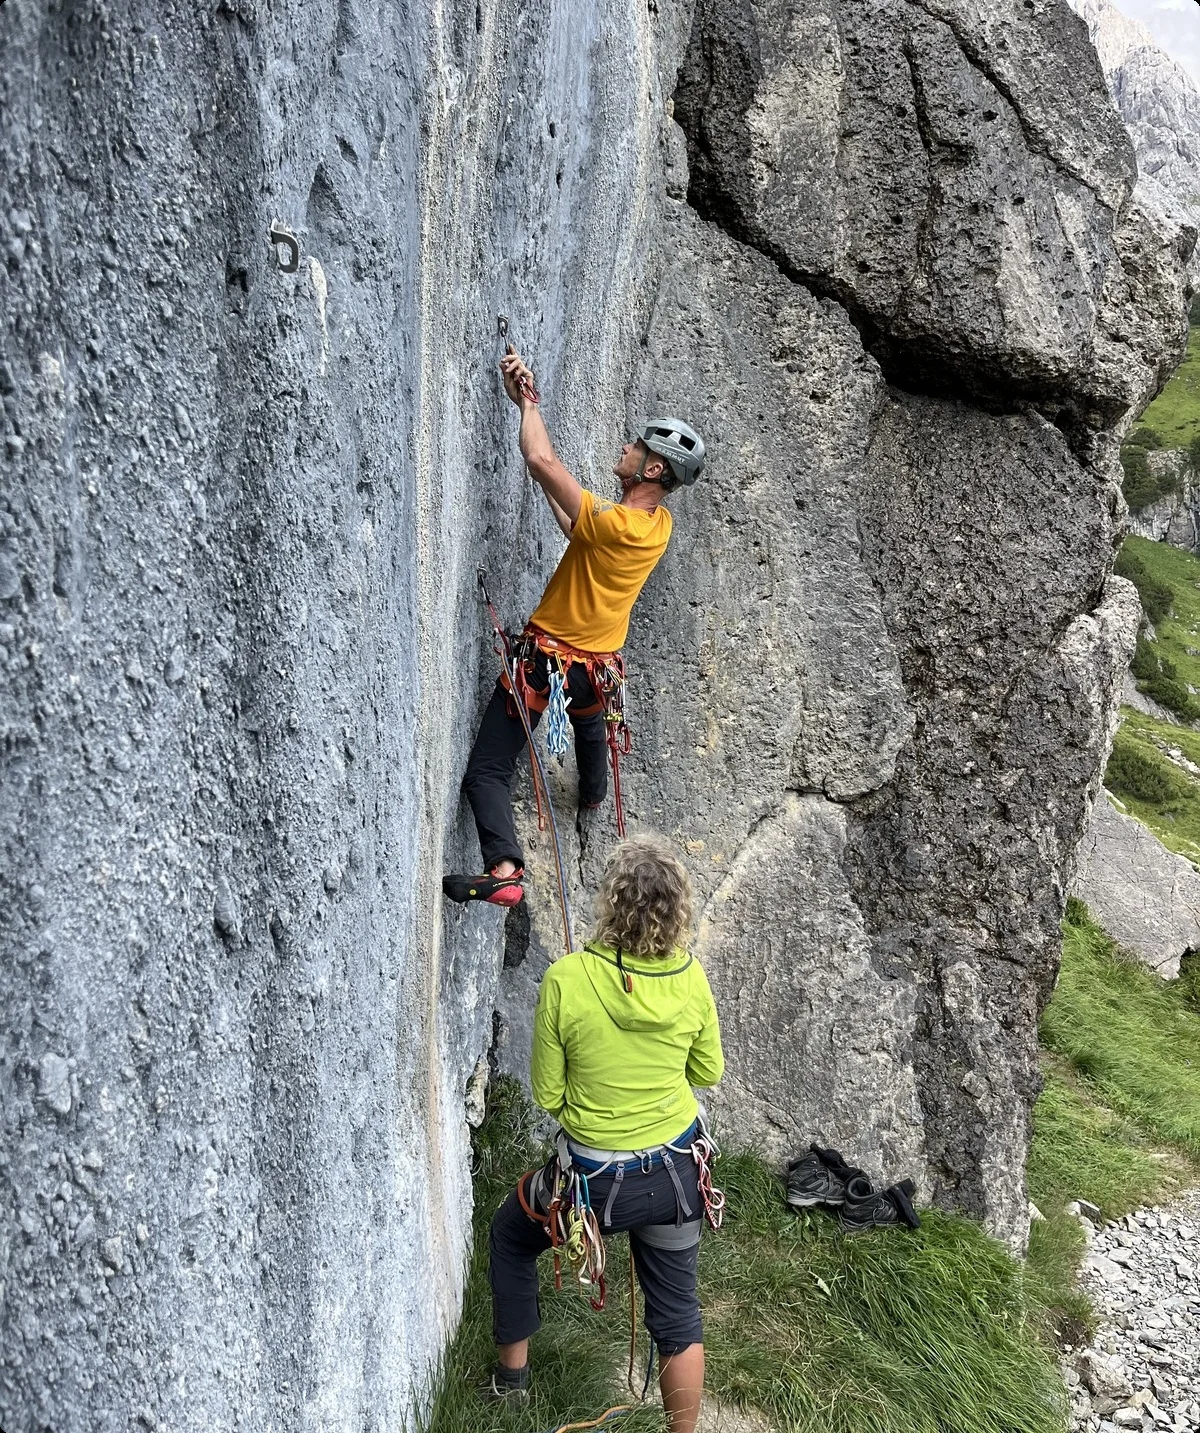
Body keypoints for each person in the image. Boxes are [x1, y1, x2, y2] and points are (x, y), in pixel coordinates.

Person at [442, 346, 705, 907]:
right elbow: (578, 528)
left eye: (635, 446)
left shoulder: (618, 524)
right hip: (596, 674)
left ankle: (504, 870)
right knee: (591, 727)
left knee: (487, 770)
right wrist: (547, 477)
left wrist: (528, 405)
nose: (625, 448)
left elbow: (542, 460)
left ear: (652, 469)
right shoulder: (657, 526)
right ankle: (592, 795)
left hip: (546, 666)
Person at [483, 835, 724, 1433]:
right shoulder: (691, 978)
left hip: (594, 1185)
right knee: (678, 1315)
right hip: (676, 1173)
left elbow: (548, 1095)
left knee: (510, 1236)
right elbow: (706, 1072)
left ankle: (510, 1388)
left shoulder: (566, 978)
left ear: (610, 902)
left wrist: (597, 1113)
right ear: (678, 910)